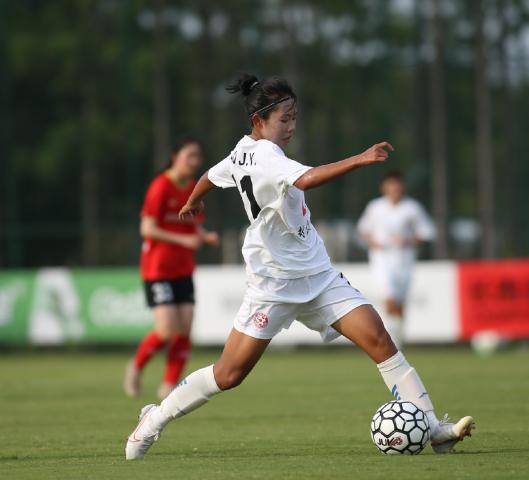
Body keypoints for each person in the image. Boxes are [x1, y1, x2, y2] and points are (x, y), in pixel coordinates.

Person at [125, 73, 474, 460]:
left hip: (319, 276)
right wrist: (359, 159)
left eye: (295, 118)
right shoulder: (266, 155)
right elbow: (306, 180)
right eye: (284, 119)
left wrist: (193, 199)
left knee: (380, 340)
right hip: (273, 283)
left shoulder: (243, 150)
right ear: (259, 119)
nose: (291, 126)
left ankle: (433, 427)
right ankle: (154, 418)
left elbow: (211, 175)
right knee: (228, 374)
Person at [124, 138, 220, 400]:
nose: (195, 161)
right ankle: (136, 366)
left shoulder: (194, 188)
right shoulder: (160, 186)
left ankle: (169, 386)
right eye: (190, 155)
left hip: (183, 268)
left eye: (198, 156)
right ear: (175, 157)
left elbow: (192, 226)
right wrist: (184, 240)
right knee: (166, 330)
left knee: (185, 329)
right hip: (158, 269)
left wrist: (204, 236)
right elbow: (147, 228)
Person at [357, 171, 435, 346]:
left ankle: (398, 340)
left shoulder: (412, 208)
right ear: (384, 187)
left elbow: (426, 232)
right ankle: (392, 343)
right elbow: (363, 231)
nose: (394, 189)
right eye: (391, 185)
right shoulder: (375, 207)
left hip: (404, 260)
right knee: (389, 296)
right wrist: (373, 242)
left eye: (397, 185)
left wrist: (408, 241)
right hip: (381, 260)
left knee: (399, 302)